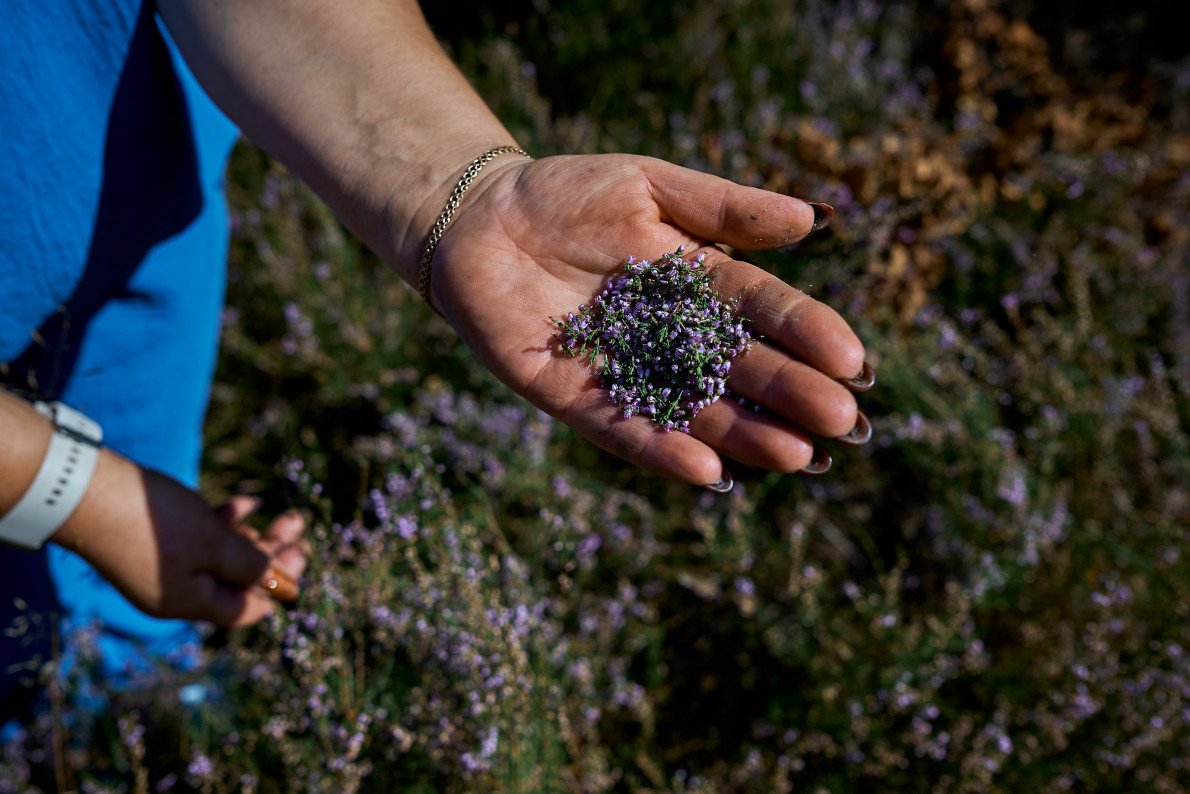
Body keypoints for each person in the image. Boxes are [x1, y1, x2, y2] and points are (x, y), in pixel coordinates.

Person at [0, 0, 873, 716]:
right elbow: (87, 494)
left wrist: (460, 189)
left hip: (128, 187)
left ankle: (123, 691)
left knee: (132, 555)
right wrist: (78, 489)